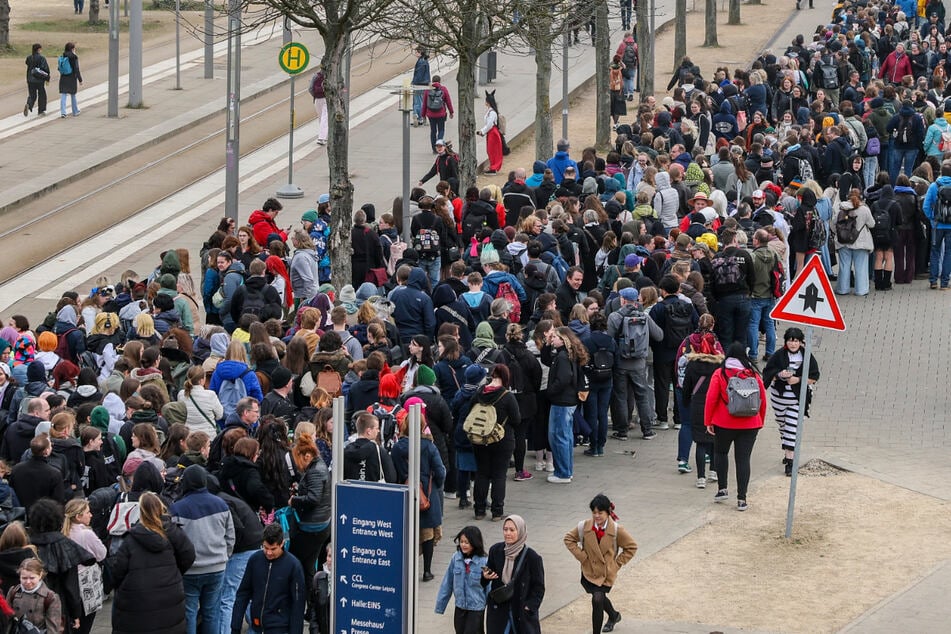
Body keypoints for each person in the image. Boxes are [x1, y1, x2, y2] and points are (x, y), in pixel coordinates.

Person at [111, 492, 197, 634]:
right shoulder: (174, 532)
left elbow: (117, 572)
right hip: (169, 596)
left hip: (138, 602)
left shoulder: (131, 539)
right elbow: (188, 555)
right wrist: (174, 573)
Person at [168, 465, 236, 634]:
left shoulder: (177, 508)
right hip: (216, 568)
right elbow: (230, 536)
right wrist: (223, 557)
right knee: (211, 613)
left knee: (189, 613)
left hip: (189, 570)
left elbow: (173, 541)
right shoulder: (221, 504)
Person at [703, 343, 767, 511]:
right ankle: (742, 499)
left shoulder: (720, 373)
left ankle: (722, 489)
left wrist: (708, 421)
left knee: (720, 453)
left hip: (724, 423)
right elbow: (762, 399)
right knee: (743, 460)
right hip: (750, 424)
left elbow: (711, 399)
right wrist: (760, 420)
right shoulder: (753, 374)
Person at [563, 494, 638, 633]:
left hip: (606, 573)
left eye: (600, 512)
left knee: (597, 599)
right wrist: (582, 557)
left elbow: (632, 547)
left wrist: (616, 564)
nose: (596, 516)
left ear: (608, 512)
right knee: (599, 597)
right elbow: (568, 539)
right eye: (594, 512)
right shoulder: (584, 526)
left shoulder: (617, 530)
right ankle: (614, 615)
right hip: (589, 570)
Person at [390, 398, 446, 581]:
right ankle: (426, 570)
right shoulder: (429, 446)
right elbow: (440, 471)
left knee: (406, 533)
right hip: (426, 495)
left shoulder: (397, 448)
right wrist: (435, 485)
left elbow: (392, 472)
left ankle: (405, 569)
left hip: (404, 493)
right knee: (427, 533)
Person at [28, 499, 96, 633]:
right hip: (59, 607)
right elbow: (71, 585)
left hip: (32, 606)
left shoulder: (28, 545)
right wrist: (76, 613)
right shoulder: (64, 545)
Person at [762, 328, 820, 477]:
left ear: (801, 342)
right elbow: (767, 374)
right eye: (790, 341)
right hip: (779, 398)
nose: (793, 344)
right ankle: (787, 448)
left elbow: (814, 377)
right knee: (783, 426)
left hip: (797, 399)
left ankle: (790, 462)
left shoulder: (807, 356)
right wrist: (779, 375)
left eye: (796, 341)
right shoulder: (778, 355)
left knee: (792, 428)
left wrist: (798, 380)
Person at [231, 523, 306, 634]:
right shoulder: (255, 560)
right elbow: (243, 593)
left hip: (280, 629)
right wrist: (235, 627)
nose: (269, 552)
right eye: (265, 548)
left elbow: (298, 605)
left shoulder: (294, 566)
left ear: (282, 544)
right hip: (256, 627)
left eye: (273, 549)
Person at [481, 515, 545, 634]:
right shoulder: (495, 550)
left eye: (512, 530)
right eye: (505, 529)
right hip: (499, 610)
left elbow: (539, 587)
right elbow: (487, 577)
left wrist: (529, 607)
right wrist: (485, 577)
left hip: (520, 612)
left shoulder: (532, 557)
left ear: (520, 531)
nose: (508, 533)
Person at [543, 327, 587, 483]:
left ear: (563, 340)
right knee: (565, 437)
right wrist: (547, 343)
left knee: (558, 436)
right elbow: (546, 359)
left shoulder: (562, 357)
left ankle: (562, 473)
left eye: (555, 337)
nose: (552, 339)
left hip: (562, 401)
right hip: (569, 400)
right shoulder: (568, 354)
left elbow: (564, 378)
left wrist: (550, 392)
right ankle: (566, 470)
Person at [63, 498, 107, 634]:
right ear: (78, 516)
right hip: (87, 583)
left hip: (69, 584)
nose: (91, 515)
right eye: (88, 512)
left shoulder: (63, 534)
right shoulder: (86, 534)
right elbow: (102, 554)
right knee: (85, 625)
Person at [434, 526, 489, 634]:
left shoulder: (484, 561)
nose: (463, 545)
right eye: (461, 542)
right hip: (460, 607)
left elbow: (489, 586)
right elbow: (447, 582)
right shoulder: (456, 558)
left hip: (476, 608)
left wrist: (492, 609)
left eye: (467, 542)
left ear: (475, 543)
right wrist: (440, 605)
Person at [5, 558, 61, 634]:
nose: (28, 582)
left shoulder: (50, 597)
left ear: (40, 575)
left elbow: (53, 629)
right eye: (24, 578)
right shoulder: (13, 591)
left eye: (32, 578)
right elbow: (7, 621)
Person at [422, 75, 454, 154]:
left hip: (430, 114)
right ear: (440, 81)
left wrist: (423, 115)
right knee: (441, 130)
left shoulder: (428, 90)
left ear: (432, 81)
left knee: (433, 131)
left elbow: (424, 104)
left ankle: (434, 149)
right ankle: (439, 145)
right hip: (441, 114)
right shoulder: (443, 89)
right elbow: (448, 101)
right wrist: (451, 112)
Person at [476, 91, 504, 175]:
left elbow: (489, 124)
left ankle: (494, 168)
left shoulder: (492, 113)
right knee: (491, 150)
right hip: (491, 132)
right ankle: (493, 166)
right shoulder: (491, 111)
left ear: (488, 102)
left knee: (492, 150)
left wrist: (482, 131)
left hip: (492, 132)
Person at [24, 43, 50, 118]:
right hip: (39, 80)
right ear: (39, 49)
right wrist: (47, 78)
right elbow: (45, 69)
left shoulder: (29, 58)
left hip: (30, 79)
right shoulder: (42, 58)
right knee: (42, 94)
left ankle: (29, 104)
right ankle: (41, 111)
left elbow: (27, 63)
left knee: (32, 95)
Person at [57, 42, 82, 119]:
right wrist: (80, 79)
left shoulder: (63, 56)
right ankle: (75, 111)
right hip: (72, 77)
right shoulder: (74, 57)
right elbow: (76, 69)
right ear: (72, 49)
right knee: (73, 94)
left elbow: (59, 68)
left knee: (63, 95)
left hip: (63, 77)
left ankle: (63, 112)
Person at [308, 66, 327, 145]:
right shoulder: (330, 75)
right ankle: (322, 137)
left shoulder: (315, 76)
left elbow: (310, 89)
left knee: (321, 118)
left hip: (317, 99)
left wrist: (315, 96)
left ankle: (323, 136)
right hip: (326, 99)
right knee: (325, 118)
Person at [412, 47, 431, 127]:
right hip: (425, 84)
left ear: (420, 53)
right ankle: (422, 117)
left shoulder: (421, 62)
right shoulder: (425, 60)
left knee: (417, 101)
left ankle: (418, 116)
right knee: (422, 100)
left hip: (419, 84)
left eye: (416, 52)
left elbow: (419, 75)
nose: (415, 53)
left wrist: (413, 82)